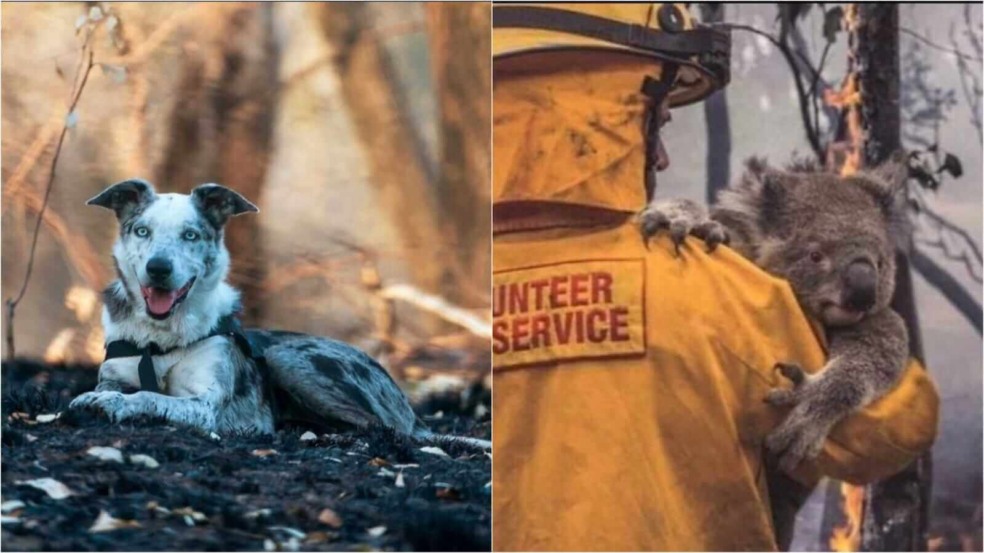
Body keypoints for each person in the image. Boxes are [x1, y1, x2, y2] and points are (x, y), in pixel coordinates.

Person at [490, 4, 939, 551]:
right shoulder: (716, 290)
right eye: (652, 122)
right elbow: (896, 431)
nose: (658, 157)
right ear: (605, 112)